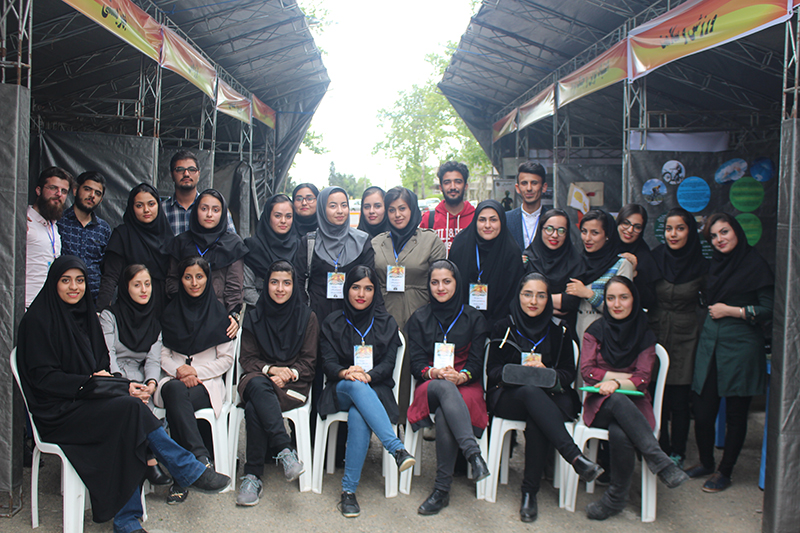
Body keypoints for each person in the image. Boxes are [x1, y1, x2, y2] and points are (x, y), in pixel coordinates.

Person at [17, 256, 229, 533]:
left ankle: (133, 516)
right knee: (129, 413)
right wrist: (92, 383)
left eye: (80, 280)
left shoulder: (85, 317)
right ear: (53, 283)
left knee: (129, 415)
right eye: (65, 280)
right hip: (57, 411)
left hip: (88, 399)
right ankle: (181, 472)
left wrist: (118, 385)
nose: (74, 287)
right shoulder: (38, 321)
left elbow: (102, 364)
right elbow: (44, 380)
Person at [487, 273, 602, 522]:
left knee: (538, 412)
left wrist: (546, 374)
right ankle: (574, 457)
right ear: (518, 296)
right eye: (527, 294)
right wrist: (521, 374)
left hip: (551, 398)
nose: (533, 301)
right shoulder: (503, 327)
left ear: (548, 299)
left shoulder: (560, 329)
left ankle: (529, 493)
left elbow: (568, 372)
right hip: (510, 397)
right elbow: (492, 371)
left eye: (541, 296)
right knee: (531, 392)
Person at [579, 276, 688, 521]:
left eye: (623, 297)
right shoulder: (594, 331)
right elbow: (587, 371)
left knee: (621, 430)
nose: (617, 304)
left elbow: (643, 379)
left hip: (637, 405)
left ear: (634, 299)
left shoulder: (645, 334)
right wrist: (621, 381)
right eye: (610, 298)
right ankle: (661, 462)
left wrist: (615, 383)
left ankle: (615, 499)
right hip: (600, 405)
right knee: (617, 400)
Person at [318, 265, 416, 517]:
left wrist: (368, 376)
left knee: (359, 414)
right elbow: (328, 363)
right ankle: (396, 447)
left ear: (376, 292)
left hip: (376, 389)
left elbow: (388, 364)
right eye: (355, 287)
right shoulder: (332, 322)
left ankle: (348, 492)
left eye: (368, 288)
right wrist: (346, 373)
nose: (361, 294)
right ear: (346, 289)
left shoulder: (386, 323)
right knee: (355, 385)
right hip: (341, 388)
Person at [685, 214, 773, 493]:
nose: (719, 239)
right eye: (713, 235)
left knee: (736, 414)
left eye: (724, 232)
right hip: (710, 344)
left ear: (737, 231)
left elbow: (769, 309)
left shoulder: (755, 264)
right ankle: (706, 462)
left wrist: (732, 311)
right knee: (702, 410)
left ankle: (725, 471)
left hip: (741, 346)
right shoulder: (715, 265)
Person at [405, 260, 491, 515]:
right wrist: (435, 373)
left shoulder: (474, 318)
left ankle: (441, 490)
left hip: (466, 385)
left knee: (445, 412)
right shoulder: (419, 317)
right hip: (430, 385)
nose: (440, 288)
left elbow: (476, 363)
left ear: (457, 283)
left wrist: (461, 377)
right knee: (444, 389)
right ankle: (473, 454)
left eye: (446, 281)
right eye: (434, 282)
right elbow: (416, 364)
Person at [155, 256, 236, 504]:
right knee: (175, 392)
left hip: (205, 383)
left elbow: (226, 359)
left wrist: (195, 373)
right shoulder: (170, 311)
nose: (194, 283)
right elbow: (161, 353)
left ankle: (183, 476)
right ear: (180, 280)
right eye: (188, 277)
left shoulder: (219, 313)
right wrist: (180, 371)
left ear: (208, 279)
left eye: (199, 277)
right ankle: (201, 460)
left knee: (177, 399)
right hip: (174, 378)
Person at [236, 260, 314, 506]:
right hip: (260, 377)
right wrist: (271, 370)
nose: (280, 289)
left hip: (291, 386)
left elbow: (309, 362)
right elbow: (247, 359)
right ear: (266, 285)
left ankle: (252, 476)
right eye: (274, 282)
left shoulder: (307, 317)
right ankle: (285, 450)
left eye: (286, 283)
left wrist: (287, 373)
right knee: (259, 386)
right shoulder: (254, 316)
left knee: (254, 405)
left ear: (294, 286)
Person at [372, 187, 446, 423]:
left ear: (413, 209)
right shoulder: (377, 242)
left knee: (415, 369)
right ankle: (385, 421)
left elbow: (441, 282)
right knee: (386, 368)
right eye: (392, 209)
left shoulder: (431, 240)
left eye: (402, 208)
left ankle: (416, 420)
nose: (397, 215)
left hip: (421, 314)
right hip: (385, 314)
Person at [100, 264, 171, 486]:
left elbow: (152, 360)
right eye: (137, 285)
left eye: (147, 284)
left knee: (145, 402)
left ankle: (144, 463)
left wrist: (151, 383)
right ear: (125, 287)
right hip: (113, 376)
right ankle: (150, 461)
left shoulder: (154, 322)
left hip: (139, 379)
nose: (144, 290)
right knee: (133, 408)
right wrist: (123, 384)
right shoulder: (109, 316)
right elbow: (107, 354)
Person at [649, 208, 708, 468]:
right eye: (669, 229)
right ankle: (659, 447)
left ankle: (678, 451)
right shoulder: (655, 258)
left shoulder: (701, 265)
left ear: (690, 232)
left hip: (686, 335)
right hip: (655, 332)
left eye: (680, 228)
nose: (673, 234)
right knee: (655, 394)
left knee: (680, 398)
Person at [166, 189, 246, 336]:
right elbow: (173, 280)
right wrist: (183, 308)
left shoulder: (233, 244)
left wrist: (233, 315)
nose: (209, 214)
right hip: (184, 317)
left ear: (223, 213)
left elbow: (234, 287)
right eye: (204, 209)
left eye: (215, 210)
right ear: (195, 211)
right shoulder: (181, 242)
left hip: (218, 317)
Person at [97, 183, 174, 311]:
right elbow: (110, 277)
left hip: (163, 308)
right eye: (139, 205)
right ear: (132, 208)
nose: (146, 210)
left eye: (151, 204)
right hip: (131, 308)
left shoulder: (167, 235)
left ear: (159, 206)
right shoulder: (122, 235)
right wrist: (101, 310)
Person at [448, 199, 525, 325]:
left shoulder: (511, 252)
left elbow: (512, 295)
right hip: (461, 321)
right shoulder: (460, 245)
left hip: (500, 322)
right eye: (482, 220)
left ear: (502, 221)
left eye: (493, 220)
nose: (487, 225)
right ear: (475, 221)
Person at [564, 209, 633, 340]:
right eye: (584, 231)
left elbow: (623, 308)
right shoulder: (578, 261)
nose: (587, 238)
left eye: (595, 233)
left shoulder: (621, 264)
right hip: (576, 331)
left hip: (606, 335)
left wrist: (588, 294)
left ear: (607, 235)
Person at [523, 208, 585, 330]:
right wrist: (552, 306)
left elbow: (571, 301)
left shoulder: (575, 262)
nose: (555, 235)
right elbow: (517, 297)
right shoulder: (527, 259)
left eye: (561, 231)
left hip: (563, 330)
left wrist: (534, 300)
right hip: (529, 327)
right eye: (549, 229)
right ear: (541, 229)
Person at [58, 171, 112, 303]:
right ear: (75, 190)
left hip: (93, 300)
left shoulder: (103, 229)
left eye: (97, 193)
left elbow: (107, 269)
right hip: (63, 297)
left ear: (101, 199)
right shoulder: (59, 222)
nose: (92, 195)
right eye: (87, 189)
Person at [26, 167, 73, 309]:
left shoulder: (54, 226)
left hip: (48, 306)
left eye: (64, 191)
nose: (59, 194)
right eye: (53, 188)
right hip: (24, 304)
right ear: (38, 190)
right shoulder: (23, 220)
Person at [242, 194, 299, 307]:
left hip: (293, 311)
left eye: (288, 216)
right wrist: (269, 308)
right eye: (277, 216)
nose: (283, 221)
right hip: (259, 311)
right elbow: (247, 287)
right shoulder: (252, 246)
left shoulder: (300, 246)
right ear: (268, 216)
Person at [161, 150, 236, 235]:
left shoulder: (216, 209)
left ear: (199, 174)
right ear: (171, 175)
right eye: (180, 169)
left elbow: (231, 240)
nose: (186, 174)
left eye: (192, 169)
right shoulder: (161, 210)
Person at [418, 161, 475, 252]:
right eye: (447, 182)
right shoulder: (428, 219)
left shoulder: (476, 218)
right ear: (441, 187)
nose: (453, 187)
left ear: (465, 186)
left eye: (458, 182)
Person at [616, 204, 661, 311]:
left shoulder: (644, 257)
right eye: (626, 223)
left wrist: (635, 274)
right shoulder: (603, 248)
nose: (630, 230)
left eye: (637, 227)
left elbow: (649, 301)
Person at [506, 161, 548, 251]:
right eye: (524, 183)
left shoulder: (553, 219)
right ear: (517, 188)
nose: (529, 188)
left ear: (544, 187)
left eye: (534, 183)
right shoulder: (506, 219)